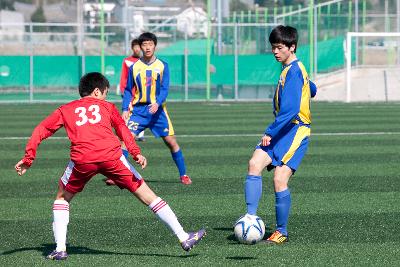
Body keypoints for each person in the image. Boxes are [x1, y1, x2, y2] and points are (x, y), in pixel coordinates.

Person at [14, 72, 206, 261]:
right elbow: (123, 128)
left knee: (61, 199)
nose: (106, 96)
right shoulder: (107, 107)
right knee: (148, 196)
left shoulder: (65, 109)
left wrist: (28, 158)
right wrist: (135, 151)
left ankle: (60, 248)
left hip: (83, 160)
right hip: (112, 157)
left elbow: (41, 129)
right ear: (97, 92)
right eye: (106, 92)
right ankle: (182, 236)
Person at [243, 25, 315, 244]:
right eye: (273, 47)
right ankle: (250, 217)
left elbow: (291, 110)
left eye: (279, 47)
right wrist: (309, 86)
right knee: (255, 163)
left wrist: (270, 132)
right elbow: (312, 89)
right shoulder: (292, 68)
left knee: (279, 179)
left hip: (294, 130)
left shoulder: (293, 70)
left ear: (292, 47)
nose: (275, 51)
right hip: (284, 129)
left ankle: (281, 232)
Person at [122, 32, 192, 185]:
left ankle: (183, 174)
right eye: (144, 45)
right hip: (138, 111)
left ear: (155, 46)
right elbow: (128, 90)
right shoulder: (134, 67)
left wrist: (157, 103)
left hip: (158, 112)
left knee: (171, 141)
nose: (147, 47)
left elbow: (165, 88)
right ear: (140, 47)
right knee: (126, 141)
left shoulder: (162, 66)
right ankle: (119, 176)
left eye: (150, 44)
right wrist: (125, 109)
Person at [119, 38, 145, 142]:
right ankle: (125, 133)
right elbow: (124, 76)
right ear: (132, 48)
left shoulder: (144, 61)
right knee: (127, 112)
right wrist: (122, 89)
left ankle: (140, 134)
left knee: (142, 111)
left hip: (141, 93)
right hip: (129, 92)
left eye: (139, 46)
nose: (137, 49)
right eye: (135, 46)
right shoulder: (127, 61)